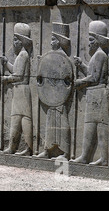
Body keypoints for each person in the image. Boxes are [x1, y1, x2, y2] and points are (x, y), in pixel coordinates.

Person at [72, 21, 109, 166]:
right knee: (89, 127)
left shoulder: (100, 55)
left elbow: (94, 78)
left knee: (100, 127)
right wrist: (81, 65)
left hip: (99, 94)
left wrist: (80, 82)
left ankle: (104, 159)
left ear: (98, 40)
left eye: (91, 40)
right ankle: (85, 156)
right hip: (94, 94)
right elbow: (91, 72)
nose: (89, 44)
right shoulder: (97, 56)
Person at [36, 23, 73, 160]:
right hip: (51, 96)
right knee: (50, 123)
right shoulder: (50, 57)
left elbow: (65, 79)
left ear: (58, 41)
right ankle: (48, 149)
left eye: (53, 39)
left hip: (59, 97)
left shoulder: (63, 58)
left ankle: (65, 152)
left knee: (62, 122)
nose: (51, 42)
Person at [1, 23, 33, 156]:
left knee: (24, 119)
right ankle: (12, 147)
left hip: (22, 90)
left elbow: (18, 76)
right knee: (15, 119)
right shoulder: (21, 55)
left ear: (21, 42)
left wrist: (6, 79)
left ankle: (28, 148)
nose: (13, 43)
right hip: (19, 90)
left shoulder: (23, 55)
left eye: (15, 40)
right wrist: (7, 62)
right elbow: (16, 70)